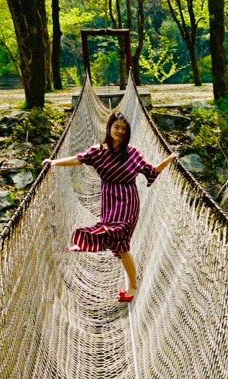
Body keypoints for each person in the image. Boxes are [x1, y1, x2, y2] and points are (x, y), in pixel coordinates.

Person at [53, 114, 173, 302]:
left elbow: (151, 171)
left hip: (128, 201)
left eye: (124, 129)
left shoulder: (133, 152)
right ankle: (93, 246)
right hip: (109, 200)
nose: (120, 132)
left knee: (121, 241)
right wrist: (54, 163)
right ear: (109, 127)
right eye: (117, 127)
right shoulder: (98, 151)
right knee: (118, 242)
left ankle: (133, 285)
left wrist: (169, 160)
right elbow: (78, 159)